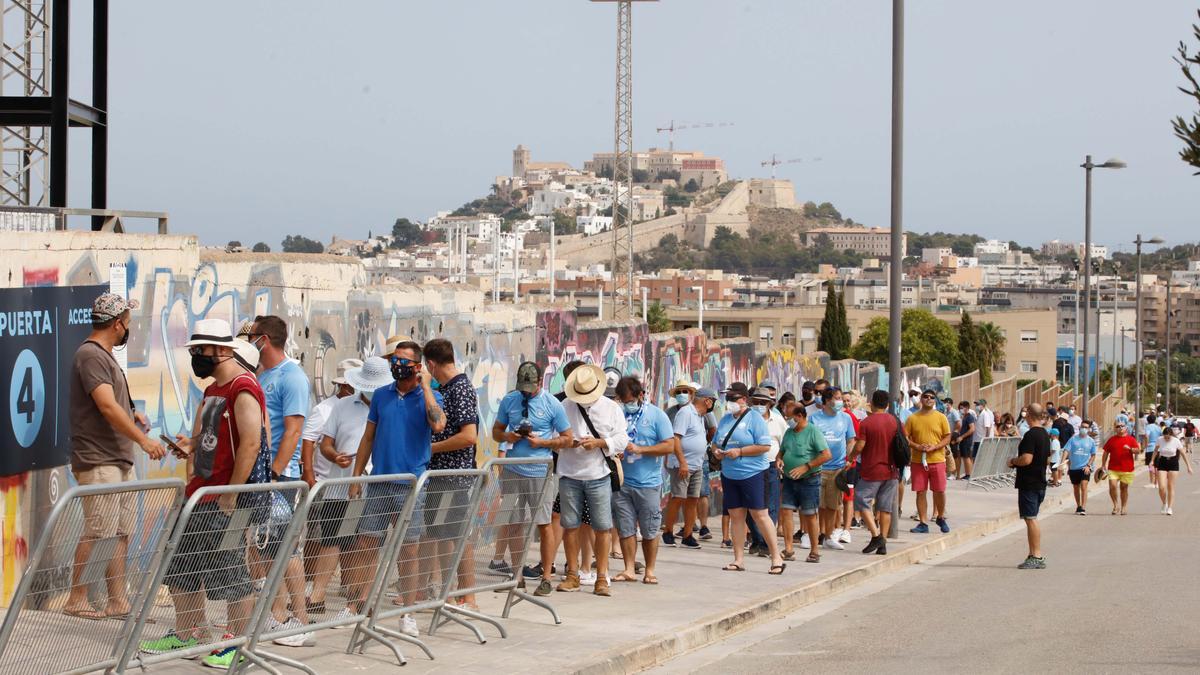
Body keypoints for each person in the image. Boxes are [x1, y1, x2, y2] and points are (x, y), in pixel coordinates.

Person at [138, 321, 267, 666]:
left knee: (230, 571)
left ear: (222, 350)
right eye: (194, 351)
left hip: (225, 498)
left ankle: (237, 644)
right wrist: (191, 444)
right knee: (181, 567)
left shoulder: (243, 388)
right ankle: (187, 633)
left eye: (201, 351)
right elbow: (210, 436)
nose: (196, 357)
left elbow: (251, 443)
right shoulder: (213, 390)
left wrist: (231, 493)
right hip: (200, 493)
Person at [65, 293, 165, 621]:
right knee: (98, 531)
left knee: (120, 532)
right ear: (117, 323)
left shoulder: (105, 357)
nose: (129, 328)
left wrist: (133, 414)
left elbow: (115, 403)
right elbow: (105, 405)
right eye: (128, 322)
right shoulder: (90, 355)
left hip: (117, 459)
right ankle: (77, 598)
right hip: (99, 459)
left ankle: (118, 600)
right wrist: (143, 441)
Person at [348, 338, 446, 638]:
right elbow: (368, 438)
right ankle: (359, 605)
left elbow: (439, 425)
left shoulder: (429, 397)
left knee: (408, 550)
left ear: (417, 366)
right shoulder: (380, 395)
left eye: (404, 361)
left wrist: (426, 387)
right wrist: (356, 476)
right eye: (394, 360)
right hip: (378, 482)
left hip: (411, 486)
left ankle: (407, 612)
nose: (397, 365)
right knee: (366, 544)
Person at [246, 315, 312, 643]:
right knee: (265, 550)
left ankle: (298, 620)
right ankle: (278, 613)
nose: (248, 340)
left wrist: (273, 476)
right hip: (262, 477)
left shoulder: (292, 377)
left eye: (252, 336)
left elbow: (293, 430)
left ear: (265, 339)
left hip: (279, 479)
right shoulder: (261, 374)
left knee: (285, 550)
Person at [309, 358, 389, 621]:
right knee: (331, 540)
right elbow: (325, 443)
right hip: (339, 486)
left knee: (363, 544)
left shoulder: (389, 409)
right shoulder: (342, 407)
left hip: (372, 487)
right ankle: (317, 596)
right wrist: (334, 456)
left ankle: (358, 598)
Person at [492, 361, 572, 597]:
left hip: (540, 472)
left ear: (540, 382)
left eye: (530, 387)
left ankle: (546, 576)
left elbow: (567, 438)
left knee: (543, 524)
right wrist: (509, 436)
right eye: (522, 387)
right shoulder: (510, 400)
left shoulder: (552, 404)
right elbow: (496, 432)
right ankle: (516, 575)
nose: (526, 391)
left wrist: (543, 443)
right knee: (512, 523)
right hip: (512, 471)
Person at [557, 364, 628, 597]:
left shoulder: (611, 408)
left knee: (602, 527)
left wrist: (599, 443)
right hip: (569, 474)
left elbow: (622, 439)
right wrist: (567, 442)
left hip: (598, 475)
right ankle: (573, 575)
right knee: (570, 526)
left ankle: (601, 577)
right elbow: (552, 436)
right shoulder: (564, 406)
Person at [423, 338, 481, 610]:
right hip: (442, 477)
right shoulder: (450, 387)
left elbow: (469, 436)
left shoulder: (459, 389)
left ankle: (468, 595)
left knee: (457, 536)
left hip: (453, 477)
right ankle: (450, 592)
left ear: (431, 364)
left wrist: (432, 448)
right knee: (443, 536)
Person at [612, 376, 678, 584]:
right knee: (625, 527)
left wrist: (641, 449)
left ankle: (650, 570)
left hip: (648, 483)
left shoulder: (657, 415)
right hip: (622, 482)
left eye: (631, 400)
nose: (627, 405)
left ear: (641, 395)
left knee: (649, 529)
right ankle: (629, 568)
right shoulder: (618, 414)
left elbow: (669, 446)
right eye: (624, 401)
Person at [714, 386, 785, 574]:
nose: (729, 401)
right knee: (736, 516)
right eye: (727, 397)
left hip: (753, 473)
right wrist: (717, 452)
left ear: (744, 399)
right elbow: (716, 442)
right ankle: (738, 559)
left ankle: (776, 556)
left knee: (760, 515)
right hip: (730, 474)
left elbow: (764, 446)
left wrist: (740, 451)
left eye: (733, 398)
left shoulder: (755, 419)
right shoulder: (725, 420)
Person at [847, 389, 901, 556]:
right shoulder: (895, 421)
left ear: (871, 402)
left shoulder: (867, 422)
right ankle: (882, 542)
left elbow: (860, 445)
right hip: (892, 470)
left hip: (872, 470)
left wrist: (851, 457)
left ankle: (876, 535)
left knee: (861, 499)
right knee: (885, 507)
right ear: (887, 404)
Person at [663, 387, 717, 550]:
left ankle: (687, 535)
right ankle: (668, 531)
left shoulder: (701, 416)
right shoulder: (686, 413)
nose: (713, 404)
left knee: (693, 499)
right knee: (678, 497)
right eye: (712, 401)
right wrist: (683, 462)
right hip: (683, 465)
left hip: (697, 464)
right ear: (707, 400)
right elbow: (676, 439)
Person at [779, 405, 830, 563]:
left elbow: (826, 455)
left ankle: (814, 551)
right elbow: (782, 452)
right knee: (786, 511)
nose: (788, 421)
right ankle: (788, 549)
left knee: (809, 515)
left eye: (791, 417)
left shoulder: (813, 432)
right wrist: (779, 460)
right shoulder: (788, 433)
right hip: (788, 479)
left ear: (800, 416)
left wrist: (806, 466)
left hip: (809, 480)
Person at [807, 386, 856, 550]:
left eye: (841, 398)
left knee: (832, 505)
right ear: (827, 401)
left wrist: (849, 458)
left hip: (837, 469)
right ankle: (814, 534)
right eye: (837, 398)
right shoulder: (814, 419)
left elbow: (850, 440)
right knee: (816, 505)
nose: (840, 401)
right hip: (819, 468)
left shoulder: (846, 418)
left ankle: (828, 535)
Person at [300, 359, 361, 488]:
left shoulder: (363, 407)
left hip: (354, 480)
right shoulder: (324, 409)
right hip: (326, 480)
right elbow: (308, 440)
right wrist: (309, 474)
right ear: (344, 386)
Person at [1009, 404, 1051, 570]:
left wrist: (1013, 461)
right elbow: (1047, 459)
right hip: (1039, 481)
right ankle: (1033, 553)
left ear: (1030, 415)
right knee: (1030, 518)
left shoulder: (1031, 435)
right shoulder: (1044, 435)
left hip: (1030, 483)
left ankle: (1036, 555)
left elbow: (1026, 459)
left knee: (1031, 519)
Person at [747, 387, 787, 557]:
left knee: (771, 506)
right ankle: (757, 539)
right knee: (751, 507)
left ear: (769, 404)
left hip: (770, 466)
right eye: (755, 402)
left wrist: (780, 458)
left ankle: (764, 543)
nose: (759, 405)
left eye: (762, 403)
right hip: (749, 467)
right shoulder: (745, 419)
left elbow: (786, 443)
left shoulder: (778, 421)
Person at [906, 389, 952, 534]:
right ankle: (923, 522)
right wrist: (917, 446)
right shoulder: (913, 418)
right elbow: (905, 437)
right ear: (922, 399)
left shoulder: (941, 417)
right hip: (918, 461)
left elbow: (947, 437)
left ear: (935, 401)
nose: (928, 399)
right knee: (920, 492)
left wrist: (936, 447)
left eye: (932, 397)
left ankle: (940, 516)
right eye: (925, 397)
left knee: (939, 490)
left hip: (937, 459)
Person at [1150, 424, 1192, 515]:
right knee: (1161, 487)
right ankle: (1164, 503)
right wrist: (1152, 461)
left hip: (1173, 462)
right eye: (1165, 437)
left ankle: (1170, 507)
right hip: (1162, 462)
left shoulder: (1176, 441)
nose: (1166, 439)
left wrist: (1188, 466)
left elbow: (1183, 453)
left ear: (1171, 435)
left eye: (1168, 437)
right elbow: (1155, 450)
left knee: (1170, 486)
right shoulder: (1160, 439)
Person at [1101, 420, 1140, 516]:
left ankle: (1123, 507)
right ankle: (1115, 505)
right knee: (1113, 486)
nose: (1120, 428)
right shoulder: (1111, 440)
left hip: (1127, 469)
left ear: (1126, 427)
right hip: (1113, 468)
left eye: (1122, 426)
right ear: (1115, 428)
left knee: (1124, 488)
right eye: (1118, 426)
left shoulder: (1131, 439)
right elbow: (1105, 452)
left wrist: (1130, 449)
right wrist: (1103, 465)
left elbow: (1138, 451)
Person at [1063, 422, 1096, 514]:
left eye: (1086, 427)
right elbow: (1066, 450)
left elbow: (1093, 455)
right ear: (1079, 427)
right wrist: (1062, 462)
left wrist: (1088, 465)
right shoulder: (1073, 439)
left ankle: (1083, 508)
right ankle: (1078, 506)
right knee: (1076, 487)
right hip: (1074, 468)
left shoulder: (1091, 441)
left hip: (1085, 468)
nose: (1084, 429)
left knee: (1084, 486)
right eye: (1082, 427)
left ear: (1089, 429)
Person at [968, 398, 995, 479]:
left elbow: (988, 427)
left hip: (981, 440)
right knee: (975, 457)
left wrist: (986, 439)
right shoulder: (979, 414)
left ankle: (981, 475)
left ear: (983, 406)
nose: (976, 406)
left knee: (980, 458)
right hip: (977, 440)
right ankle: (976, 474)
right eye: (976, 405)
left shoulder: (985, 414)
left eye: (978, 405)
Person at [950, 401, 975, 481]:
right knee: (964, 457)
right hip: (962, 440)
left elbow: (972, 429)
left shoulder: (969, 417)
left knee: (967, 457)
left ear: (967, 408)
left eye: (962, 408)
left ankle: (969, 475)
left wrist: (962, 437)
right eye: (959, 408)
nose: (960, 410)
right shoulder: (963, 417)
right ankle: (967, 474)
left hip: (966, 440)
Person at [1143, 415, 1162, 488]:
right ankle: (1156, 483)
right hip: (1158, 448)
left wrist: (1146, 445)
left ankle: (1151, 482)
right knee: (1157, 466)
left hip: (1150, 448)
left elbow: (1146, 436)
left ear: (1147, 420)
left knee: (1151, 466)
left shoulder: (1148, 427)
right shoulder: (1158, 427)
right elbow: (1161, 436)